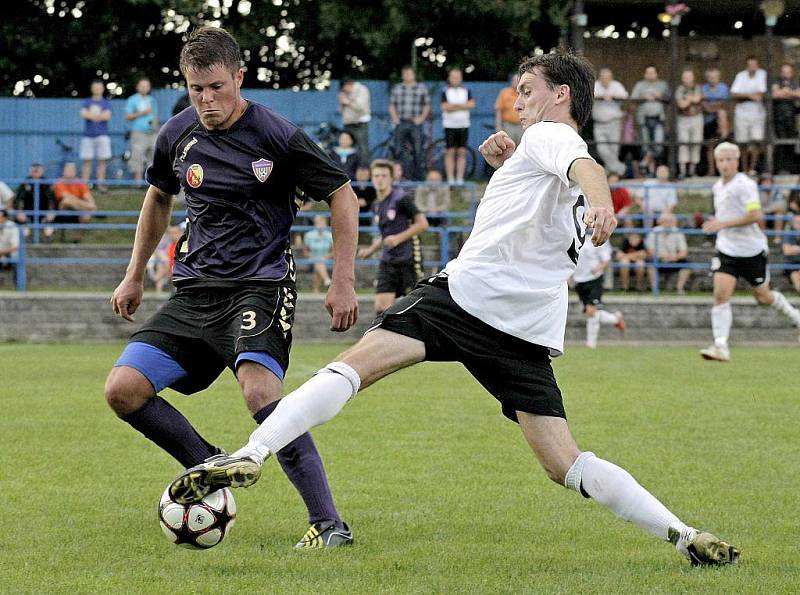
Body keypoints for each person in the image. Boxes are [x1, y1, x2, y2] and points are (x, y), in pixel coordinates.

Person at [170, 52, 739, 567]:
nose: (518, 98)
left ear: (561, 94)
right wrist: (511, 164)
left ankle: (251, 453)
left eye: (527, 87)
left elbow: (584, 169)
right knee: (566, 464)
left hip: (465, 298)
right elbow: (545, 196)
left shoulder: (551, 136)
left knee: (355, 365)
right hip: (524, 330)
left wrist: (598, 202)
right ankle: (686, 535)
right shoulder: (535, 150)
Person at [105, 26, 360, 549]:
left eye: (217, 87)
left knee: (261, 391)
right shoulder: (176, 134)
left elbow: (342, 195)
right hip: (195, 292)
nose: (207, 100)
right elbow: (157, 200)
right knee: (123, 390)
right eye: (196, 89)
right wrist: (134, 274)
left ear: (239, 78)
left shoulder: (276, 135)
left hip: (259, 286)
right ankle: (207, 464)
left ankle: (329, 523)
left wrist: (342, 281)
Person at [700, 142, 800, 361]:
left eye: (728, 160)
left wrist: (722, 224)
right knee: (720, 295)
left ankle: (795, 316)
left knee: (763, 297)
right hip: (727, 249)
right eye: (720, 160)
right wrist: (718, 224)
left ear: (737, 161)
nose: (724, 164)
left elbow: (756, 216)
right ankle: (720, 346)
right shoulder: (718, 187)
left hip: (751, 250)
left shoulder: (744, 184)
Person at [357, 159, 429, 315]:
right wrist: (370, 250)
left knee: (412, 308)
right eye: (376, 176)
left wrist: (398, 238)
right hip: (388, 259)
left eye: (384, 175)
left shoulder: (401, 199)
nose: (379, 179)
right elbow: (385, 234)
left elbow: (422, 224)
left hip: (408, 258)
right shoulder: (377, 204)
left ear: (391, 178)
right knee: (381, 308)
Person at [573, 231, 625, 348]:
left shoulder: (599, 238)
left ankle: (591, 344)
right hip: (579, 280)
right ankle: (615, 319)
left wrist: (598, 268)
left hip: (594, 279)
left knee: (591, 311)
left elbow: (606, 260)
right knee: (590, 312)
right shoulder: (575, 237)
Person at [389, 65, 430, 180]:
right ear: (402, 75)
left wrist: (421, 118)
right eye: (405, 73)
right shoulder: (397, 88)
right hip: (401, 122)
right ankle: (400, 176)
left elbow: (427, 105)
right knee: (398, 151)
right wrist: (395, 118)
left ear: (413, 75)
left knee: (418, 151)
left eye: (409, 73)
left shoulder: (421, 88)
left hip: (415, 124)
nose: (407, 76)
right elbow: (392, 105)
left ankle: (418, 178)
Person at [730, 56, 767, 175]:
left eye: (754, 65)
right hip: (742, 114)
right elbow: (734, 93)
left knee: (756, 141)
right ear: (747, 66)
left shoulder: (762, 74)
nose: (753, 67)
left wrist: (744, 95)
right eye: (750, 65)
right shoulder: (740, 76)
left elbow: (761, 94)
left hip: (757, 114)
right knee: (743, 142)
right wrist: (750, 96)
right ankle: (744, 169)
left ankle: (753, 168)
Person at [631, 65, 668, 176]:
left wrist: (658, 96)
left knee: (658, 144)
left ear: (657, 74)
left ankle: (645, 162)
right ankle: (651, 171)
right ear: (645, 74)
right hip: (644, 119)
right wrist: (643, 96)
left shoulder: (662, 85)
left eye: (653, 72)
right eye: (648, 72)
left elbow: (669, 98)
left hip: (658, 118)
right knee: (646, 145)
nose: (650, 75)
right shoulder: (640, 85)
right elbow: (633, 99)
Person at [440, 67, 475, 183]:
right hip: (449, 126)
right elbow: (445, 107)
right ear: (449, 78)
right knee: (450, 152)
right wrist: (462, 105)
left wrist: (453, 106)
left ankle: (460, 178)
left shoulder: (467, 90)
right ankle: (450, 178)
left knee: (462, 152)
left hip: (464, 125)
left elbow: (471, 104)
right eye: (453, 77)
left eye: (458, 77)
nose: (455, 79)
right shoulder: (445, 90)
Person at [592, 67, 627, 176]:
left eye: (607, 78)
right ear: (600, 77)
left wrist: (613, 96)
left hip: (614, 122)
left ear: (611, 78)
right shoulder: (596, 85)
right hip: (599, 123)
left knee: (613, 149)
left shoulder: (616, 85)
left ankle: (611, 173)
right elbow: (589, 94)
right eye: (603, 77)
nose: (605, 80)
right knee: (602, 149)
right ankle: (620, 168)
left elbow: (625, 96)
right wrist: (603, 96)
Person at [645, 212, 692, 294]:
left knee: (686, 264)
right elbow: (650, 251)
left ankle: (679, 288)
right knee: (650, 264)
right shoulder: (654, 232)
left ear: (674, 222)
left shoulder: (678, 232)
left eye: (671, 221)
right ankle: (655, 290)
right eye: (666, 221)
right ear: (660, 221)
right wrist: (662, 256)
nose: (668, 223)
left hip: (674, 259)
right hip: (659, 259)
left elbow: (684, 252)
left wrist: (675, 257)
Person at [79, 79, 112, 191]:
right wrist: (99, 115)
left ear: (102, 89)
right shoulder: (87, 101)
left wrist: (92, 115)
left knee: (102, 161)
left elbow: (107, 116)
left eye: (99, 87)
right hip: (88, 136)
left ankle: (100, 184)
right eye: (95, 87)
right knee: (86, 161)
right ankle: (84, 186)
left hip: (102, 135)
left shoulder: (106, 102)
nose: (97, 89)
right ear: (92, 89)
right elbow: (83, 114)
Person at [125, 77, 159, 181]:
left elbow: (155, 116)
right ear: (138, 87)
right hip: (139, 132)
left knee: (153, 157)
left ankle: (151, 183)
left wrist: (157, 128)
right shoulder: (132, 99)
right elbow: (128, 116)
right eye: (142, 86)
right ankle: (138, 183)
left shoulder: (152, 100)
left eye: (147, 86)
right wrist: (142, 112)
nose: (145, 88)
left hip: (152, 132)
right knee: (137, 156)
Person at [12, 162, 56, 239]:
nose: (35, 173)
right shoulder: (25, 183)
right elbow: (18, 199)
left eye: (37, 170)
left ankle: (48, 239)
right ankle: (26, 240)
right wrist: (19, 211)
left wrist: (51, 211)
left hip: (43, 212)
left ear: (42, 171)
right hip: (28, 212)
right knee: (21, 221)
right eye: (34, 171)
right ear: (30, 171)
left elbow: (52, 199)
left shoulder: (47, 184)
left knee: (50, 222)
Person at [674, 69, 704, 179]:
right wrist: (691, 99)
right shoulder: (679, 89)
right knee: (683, 143)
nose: (687, 79)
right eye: (685, 77)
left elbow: (697, 99)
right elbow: (682, 105)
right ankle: (683, 171)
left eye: (689, 77)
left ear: (693, 77)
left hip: (696, 118)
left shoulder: (698, 87)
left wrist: (688, 99)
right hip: (683, 119)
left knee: (695, 143)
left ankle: (692, 171)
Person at [701, 68, 730, 176]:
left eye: (714, 77)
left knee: (722, 148)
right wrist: (714, 107)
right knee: (710, 147)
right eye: (710, 77)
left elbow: (723, 104)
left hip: (719, 122)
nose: (712, 79)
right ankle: (711, 170)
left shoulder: (724, 88)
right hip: (708, 122)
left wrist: (711, 107)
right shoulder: (703, 88)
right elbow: (704, 106)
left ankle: (723, 135)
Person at [771, 63, 799, 174]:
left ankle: (790, 168)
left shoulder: (795, 82)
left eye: (788, 72)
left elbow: (799, 94)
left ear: (792, 73)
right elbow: (774, 94)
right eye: (783, 71)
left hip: (792, 117)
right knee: (780, 142)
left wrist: (786, 92)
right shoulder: (776, 81)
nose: (785, 74)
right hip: (778, 117)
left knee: (791, 142)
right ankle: (781, 168)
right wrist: (791, 93)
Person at [338, 77, 371, 165]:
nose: (344, 90)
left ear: (348, 84)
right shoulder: (344, 93)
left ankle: (364, 171)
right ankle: (349, 170)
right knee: (346, 147)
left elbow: (361, 107)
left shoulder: (361, 90)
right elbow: (341, 110)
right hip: (348, 124)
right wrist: (342, 102)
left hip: (360, 124)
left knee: (362, 149)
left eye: (344, 88)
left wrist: (347, 101)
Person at [53, 162, 97, 226]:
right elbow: (66, 196)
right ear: (64, 171)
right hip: (64, 208)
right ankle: (84, 211)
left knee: (86, 216)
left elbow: (88, 197)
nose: (70, 171)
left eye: (72, 170)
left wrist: (91, 204)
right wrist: (88, 205)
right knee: (67, 201)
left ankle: (80, 229)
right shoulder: (59, 182)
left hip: (78, 207)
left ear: (75, 171)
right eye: (68, 170)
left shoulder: (79, 182)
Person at [303, 215, 334, 292]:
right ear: (315, 224)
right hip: (312, 259)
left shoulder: (330, 235)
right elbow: (305, 252)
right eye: (319, 223)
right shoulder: (309, 235)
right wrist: (313, 257)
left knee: (319, 263)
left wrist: (326, 257)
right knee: (318, 262)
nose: (321, 225)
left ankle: (316, 289)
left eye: (322, 223)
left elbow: (334, 252)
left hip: (326, 259)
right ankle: (326, 279)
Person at [616, 224, 647, 292]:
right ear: (629, 238)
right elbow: (618, 256)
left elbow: (644, 255)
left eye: (636, 238)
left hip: (637, 261)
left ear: (639, 238)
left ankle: (639, 286)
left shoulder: (641, 243)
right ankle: (625, 287)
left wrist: (628, 256)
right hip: (628, 261)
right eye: (632, 238)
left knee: (640, 263)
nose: (634, 240)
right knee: (624, 262)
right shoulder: (625, 242)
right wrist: (634, 256)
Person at [494, 73, 522, 146]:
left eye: (519, 80)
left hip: (522, 126)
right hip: (508, 126)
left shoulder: (524, 94)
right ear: (511, 81)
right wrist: (498, 127)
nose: (517, 82)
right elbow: (499, 110)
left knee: (522, 149)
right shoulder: (504, 93)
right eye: (515, 80)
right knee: (508, 147)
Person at [782, 213, 800, 293]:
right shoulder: (789, 234)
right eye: (797, 222)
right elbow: (787, 251)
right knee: (796, 276)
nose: (799, 225)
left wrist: (795, 249)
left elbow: (790, 250)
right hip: (792, 264)